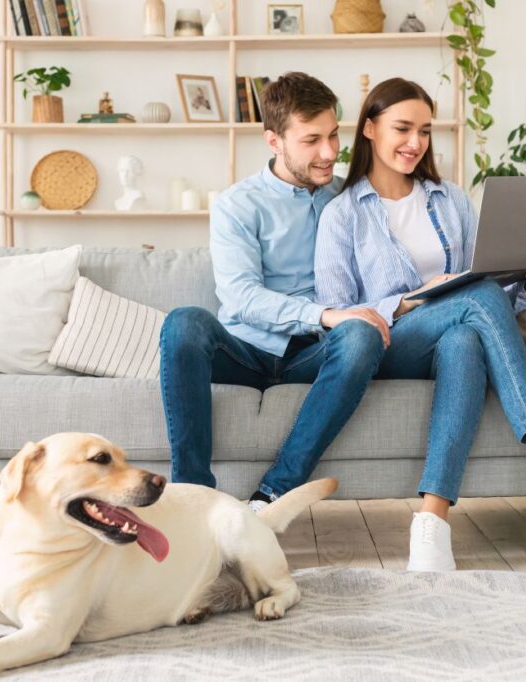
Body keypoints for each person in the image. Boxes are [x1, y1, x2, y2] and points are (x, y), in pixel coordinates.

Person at [314, 77, 526, 571]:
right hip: (387, 345)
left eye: (425, 131)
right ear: (369, 129)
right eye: (402, 128)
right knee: (470, 298)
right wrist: (410, 302)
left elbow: (490, 292)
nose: (416, 143)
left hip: (456, 334)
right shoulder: (342, 215)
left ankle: (431, 524)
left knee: (464, 338)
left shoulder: (449, 200)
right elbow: (338, 316)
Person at [159, 72, 392, 513]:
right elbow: (241, 296)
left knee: (360, 334)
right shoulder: (237, 204)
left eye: (332, 136)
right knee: (183, 322)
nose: (329, 153)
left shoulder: (347, 197)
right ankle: (192, 497)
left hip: (313, 355)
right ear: (274, 141)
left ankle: (273, 494)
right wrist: (324, 314)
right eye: (311, 141)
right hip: (244, 352)